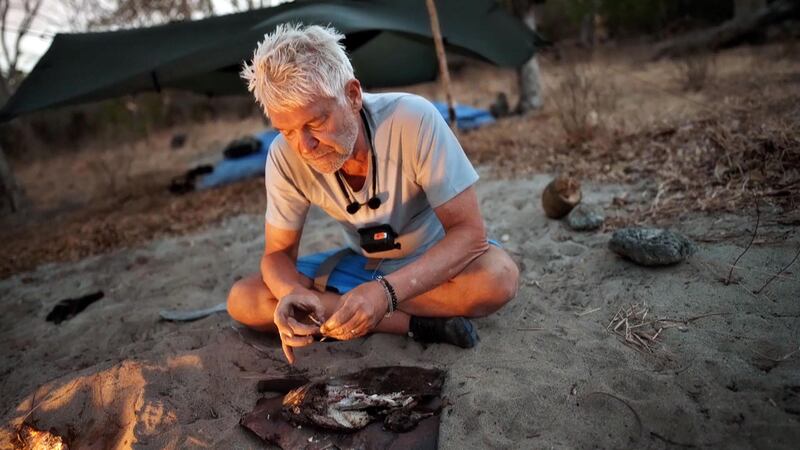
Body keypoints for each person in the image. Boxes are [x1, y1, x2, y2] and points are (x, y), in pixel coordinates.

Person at [228, 23, 519, 364]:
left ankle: (363, 309)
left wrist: (386, 293)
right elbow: (277, 255)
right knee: (244, 299)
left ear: (352, 95)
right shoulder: (283, 155)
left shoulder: (413, 119)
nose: (304, 146)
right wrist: (292, 293)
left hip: (431, 260)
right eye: (287, 131)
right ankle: (414, 325)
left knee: (497, 279)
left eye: (315, 123)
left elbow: (470, 236)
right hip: (361, 266)